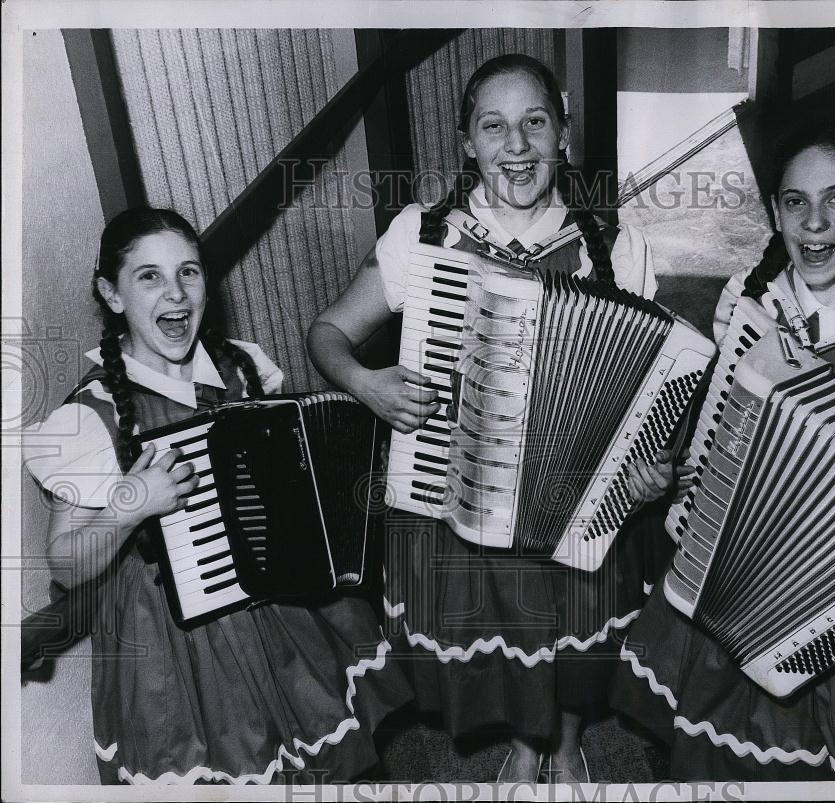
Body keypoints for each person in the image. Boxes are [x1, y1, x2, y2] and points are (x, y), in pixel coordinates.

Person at [308, 54, 676, 782]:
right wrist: (367, 385)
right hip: (457, 485)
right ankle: (526, 744)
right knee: (506, 632)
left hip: (572, 496)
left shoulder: (614, 244)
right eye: (494, 126)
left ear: (563, 133)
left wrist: (649, 460)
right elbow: (328, 333)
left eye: (535, 122)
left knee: (571, 629)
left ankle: (564, 744)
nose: (517, 145)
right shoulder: (424, 235)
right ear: (467, 143)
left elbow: (651, 386)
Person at [612, 122, 835, 782]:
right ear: (776, 212)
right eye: (795, 201)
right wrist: (671, 475)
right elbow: (718, 434)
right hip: (737, 569)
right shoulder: (748, 300)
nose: (814, 222)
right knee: (711, 757)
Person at [22, 208, 412, 784]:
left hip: (282, 597)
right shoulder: (88, 419)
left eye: (189, 271)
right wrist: (131, 505)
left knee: (320, 751)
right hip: (174, 638)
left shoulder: (242, 365)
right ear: (111, 294)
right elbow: (65, 562)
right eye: (149, 276)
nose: (176, 293)